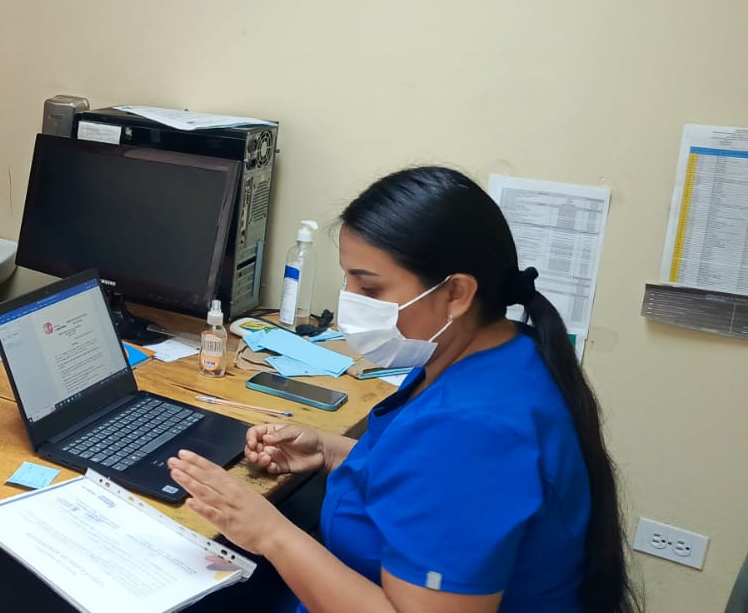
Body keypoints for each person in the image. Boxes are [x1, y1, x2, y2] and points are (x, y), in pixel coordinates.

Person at [168, 166, 637, 613]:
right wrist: (330, 451)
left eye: (370, 289)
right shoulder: (496, 351)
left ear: (456, 293)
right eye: (348, 278)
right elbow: (423, 479)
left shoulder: (471, 431)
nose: (349, 301)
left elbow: (449, 469)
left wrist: (268, 533)